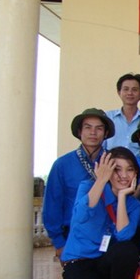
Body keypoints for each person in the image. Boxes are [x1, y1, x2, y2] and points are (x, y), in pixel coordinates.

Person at [60, 147, 140, 279]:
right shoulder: (89, 187)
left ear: (136, 173)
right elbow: (80, 217)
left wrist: (122, 197)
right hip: (80, 262)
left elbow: (124, 236)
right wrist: (101, 181)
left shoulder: (133, 205)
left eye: (129, 170)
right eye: (117, 169)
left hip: (104, 262)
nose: (124, 175)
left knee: (127, 250)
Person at [43, 108, 115, 259]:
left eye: (99, 128)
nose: (93, 133)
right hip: (73, 235)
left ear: (106, 133)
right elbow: (52, 204)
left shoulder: (113, 161)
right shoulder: (62, 165)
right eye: (88, 127)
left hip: (107, 235)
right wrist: (59, 242)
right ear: (79, 132)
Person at [104, 73, 140, 153]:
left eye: (134, 90)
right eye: (126, 89)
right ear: (119, 92)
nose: (130, 93)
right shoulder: (108, 117)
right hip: (112, 160)